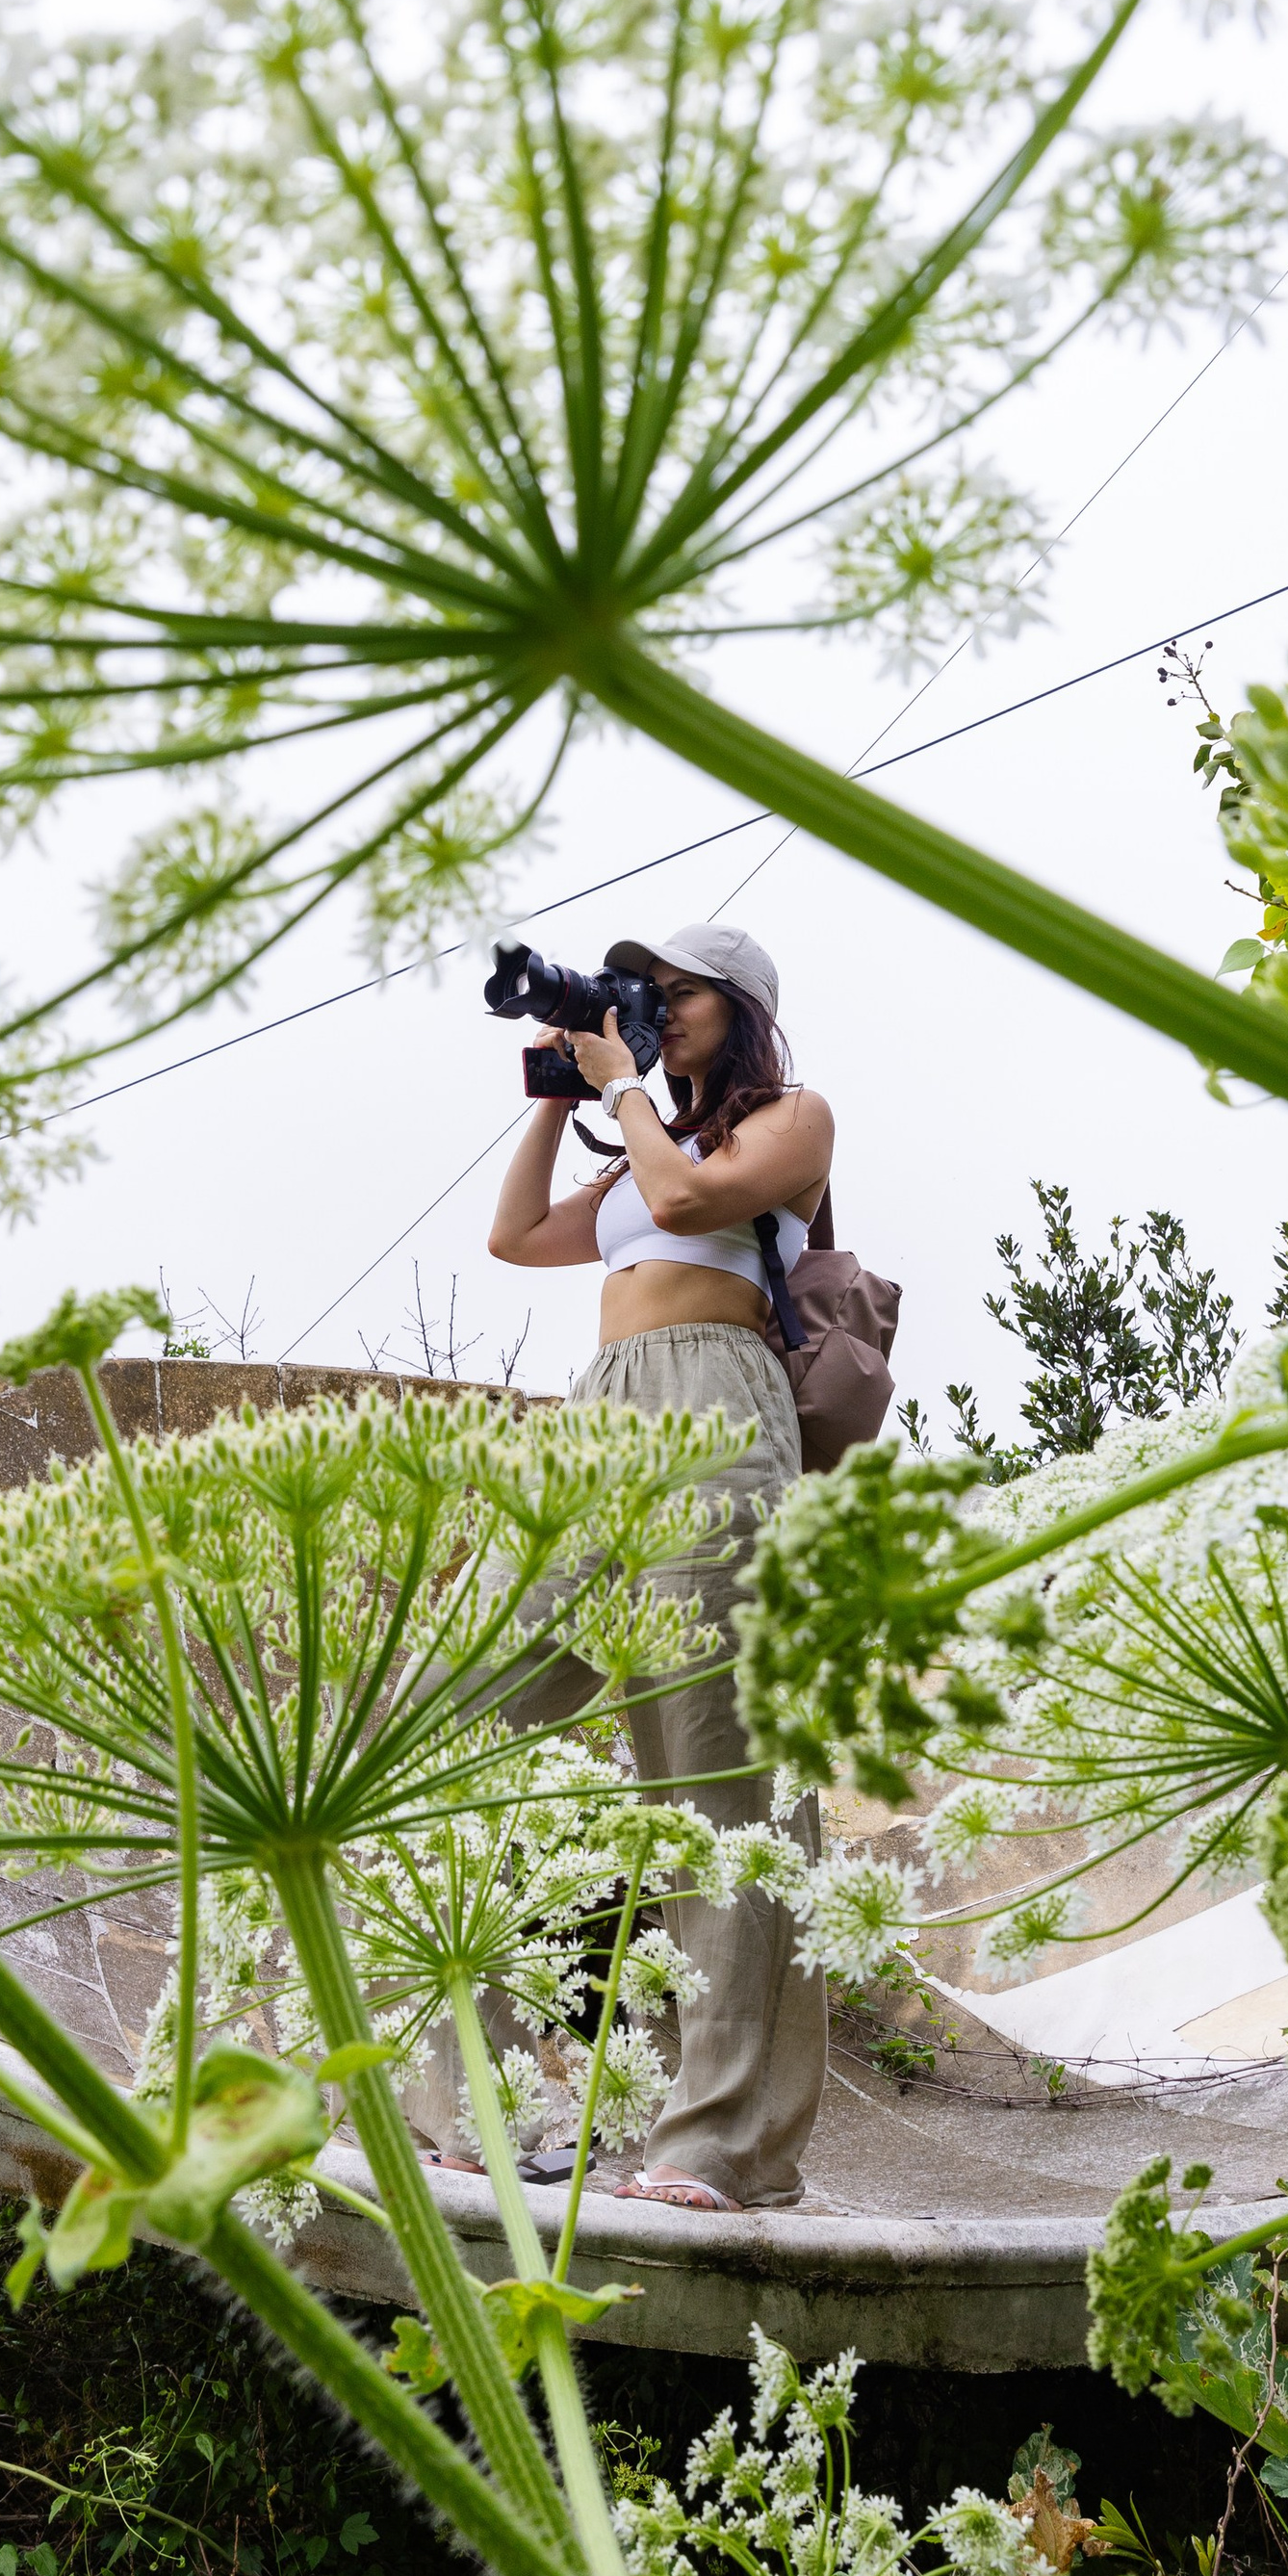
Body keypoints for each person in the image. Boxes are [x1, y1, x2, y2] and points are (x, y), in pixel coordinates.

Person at [459, 921, 831, 2212]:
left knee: (716, 1772)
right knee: (473, 1717)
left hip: (718, 1414)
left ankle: (719, 2139)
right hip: (600, 1416)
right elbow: (516, 1239)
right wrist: (562, 1093)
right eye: (644, 992)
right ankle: (484, 2095)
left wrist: (621, 1079)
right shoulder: (637, 1139)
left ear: (740, 1003)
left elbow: (681, 1204)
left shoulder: (789, 1121)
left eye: (676, 993)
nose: (656, 1008)